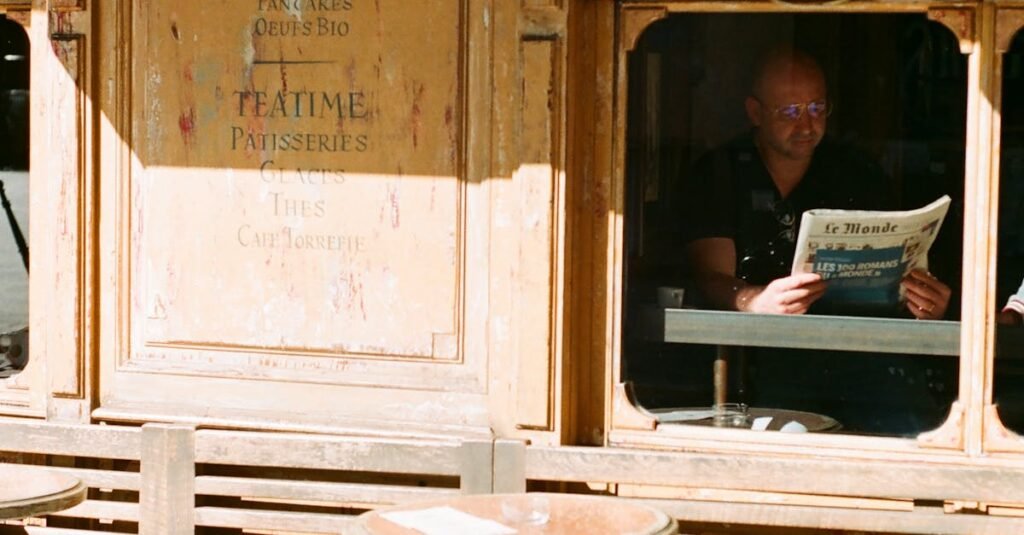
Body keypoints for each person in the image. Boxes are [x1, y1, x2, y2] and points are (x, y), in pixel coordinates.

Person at [682, 47, 952, 319]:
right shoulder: (720, 172)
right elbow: (711, 276)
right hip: (751, 348)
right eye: (790, 111)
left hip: (850, 344)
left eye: (816, 108)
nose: (807, 126)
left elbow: (899, 273)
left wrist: (924, 302)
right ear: (755, 112)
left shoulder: (857, 172)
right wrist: (753, 300)